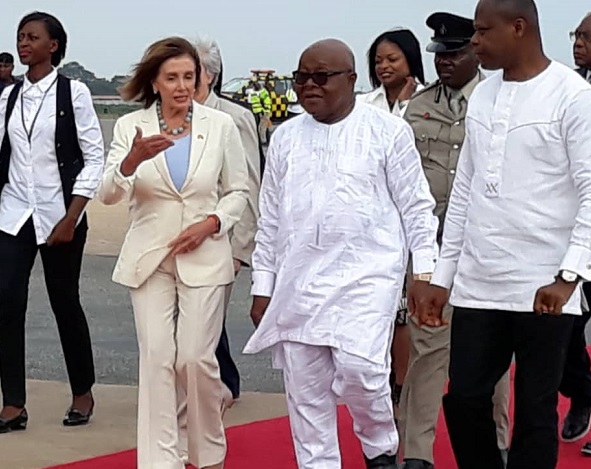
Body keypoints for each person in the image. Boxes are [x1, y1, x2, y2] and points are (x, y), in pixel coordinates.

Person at [244, 38, 439, 469]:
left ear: (351, 79)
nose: (309, 86)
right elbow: (270, 220)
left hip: (366, 280)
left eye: (321, 77)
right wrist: (263, 286)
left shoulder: (388, 131)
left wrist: (424, 276)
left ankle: (380, 447)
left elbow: (418, 210)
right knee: (306, 392)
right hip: (298, 285)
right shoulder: (285, 138)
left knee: (363, 374)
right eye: (301, 78)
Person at [419, 0, 591, 468]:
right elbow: (465, 192)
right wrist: (443, 277)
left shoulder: (572, 96)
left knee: (535, 412)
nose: (474, 41)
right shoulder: (483, 94)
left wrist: (570, 274)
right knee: (465, 398)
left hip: (545, 285)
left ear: (519, 28)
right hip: (480, 282)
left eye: (482, 31)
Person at [97, 37, 249, 469]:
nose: (183, 86)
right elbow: (107, 194)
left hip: (205, 255)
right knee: (158, 360)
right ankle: (159, 461)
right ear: (155, 82)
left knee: (195, 359)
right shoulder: (132, 128)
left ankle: (206, 454)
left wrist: (213, 223)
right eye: (173, 78)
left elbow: (238, 190)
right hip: (149, 260)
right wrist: (131, 161)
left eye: (190, 76)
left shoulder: (219, 126)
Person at [399, 12, 510, 469]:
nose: (445, 62)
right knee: (427, 350)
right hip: (431, 245)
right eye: (439, 55)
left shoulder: (498, 100)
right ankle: (416, 454)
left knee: (492, 351)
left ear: (474, 52)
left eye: (455, 53)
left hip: (486, 245)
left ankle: (497, 440)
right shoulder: (418, 106)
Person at [0, 11, 103, 433]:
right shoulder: (7, 96)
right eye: (21, 37)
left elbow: (94, 156)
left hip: (61, 214)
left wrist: (72, 215)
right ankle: (14, 404)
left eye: (33, 37)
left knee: (64, 302)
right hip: (13, 213)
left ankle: (82, 392)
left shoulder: (72, 92)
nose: (24, 43)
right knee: (6, 302)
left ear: (53, 45)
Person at [173, 36, 261, 463]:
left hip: (219, 244)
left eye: (191, 72)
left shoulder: (234, 118)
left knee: (198, 344)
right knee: (181, 343)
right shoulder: (170, 117)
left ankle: (202, 426)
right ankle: (205, 404)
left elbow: (246, 188)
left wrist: (241, 248)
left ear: (209, 74)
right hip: (171, 249)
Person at [357, 28, 426, 422]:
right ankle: (379, 383)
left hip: (412, 222)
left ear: (411, 61)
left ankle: (402, 388)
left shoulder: (427, 100)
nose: (385, 67)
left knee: (404, 312)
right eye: (379, 61)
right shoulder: (364, 105)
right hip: (372, 224)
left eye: (393, 59)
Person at [559, 9, 591, 454]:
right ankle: (585, 394)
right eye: (577, 35)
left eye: (589, 37)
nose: (579, 44)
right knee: (565, 328)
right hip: (575, 228)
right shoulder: (568, 89)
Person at [359, 28, 425, 117]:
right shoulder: (362, 103)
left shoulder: (429, 100)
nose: (383, 66)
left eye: (392, 59)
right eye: (378, 61)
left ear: (411, 59)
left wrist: (404, 103)